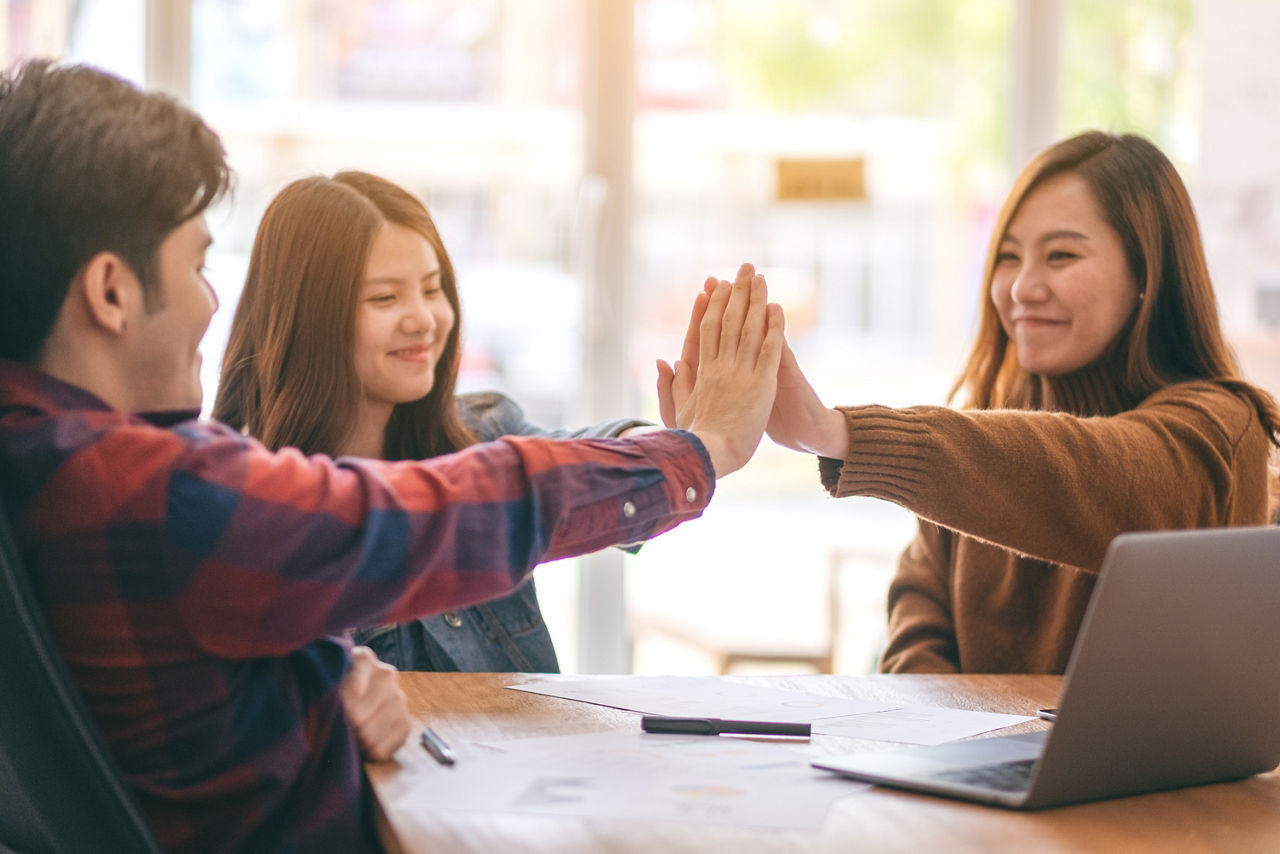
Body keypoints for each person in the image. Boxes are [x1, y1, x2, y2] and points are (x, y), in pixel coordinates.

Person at [0, 59, 782, 853]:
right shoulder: (149, 491)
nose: (211, 300)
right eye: (199, 265)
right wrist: (700, 451)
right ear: (110, 292)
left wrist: (315, 688)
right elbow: (435, 516)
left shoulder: (44, 462)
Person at [665, 130, 1280, 674]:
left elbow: (1094, 474)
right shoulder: (980, 440)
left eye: (1062, 255)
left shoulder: (1222, 429)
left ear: (1148, 274)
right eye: (1008, 256)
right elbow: (916, 618)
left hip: (1163, 806)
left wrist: (837, 432)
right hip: (975, 796)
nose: (1020, 287)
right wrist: (943, 744)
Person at [214, 170, 656, 672]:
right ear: (307, 315)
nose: (424, 318)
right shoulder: (250, 497)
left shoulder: (482, 433)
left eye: (432, 289)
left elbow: (582, 460)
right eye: (385, 298)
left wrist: (672, 440)